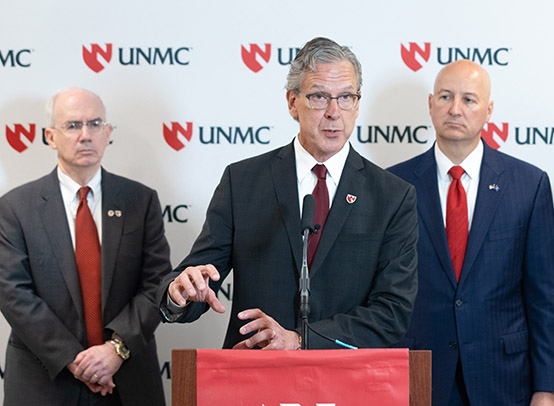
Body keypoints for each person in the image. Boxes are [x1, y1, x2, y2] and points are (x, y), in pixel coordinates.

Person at [157, 37, 418, 351]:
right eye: (320, 97)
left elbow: (392, 312)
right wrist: (179, 293)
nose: (335, 112)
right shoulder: (241, 182)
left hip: (345, 380)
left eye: (346, 97)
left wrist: (299, 340)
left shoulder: (392, 196)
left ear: (358, 103)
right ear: (292, 102)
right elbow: (201, 279)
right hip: (255, 376)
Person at [387, 60, 554, 405]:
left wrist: (547, 387)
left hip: (503, 374)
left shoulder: (528, 184)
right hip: (419, 372)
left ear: (488, 110)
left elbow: (544, 297)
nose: (455, 109)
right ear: (430, 104)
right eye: (445, 97)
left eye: (469, 99)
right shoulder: (394, 185)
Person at [0, 88, 170, 405]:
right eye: (73, 125)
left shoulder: (141, 201)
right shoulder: (14, 208)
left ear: (108, 133)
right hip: (44, 382)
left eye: (95, 124)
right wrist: (76, 360)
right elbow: (13, 293)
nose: (86, 135)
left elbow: (157, 284)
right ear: (50, 136)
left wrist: (115, 350)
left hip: (127, 379)